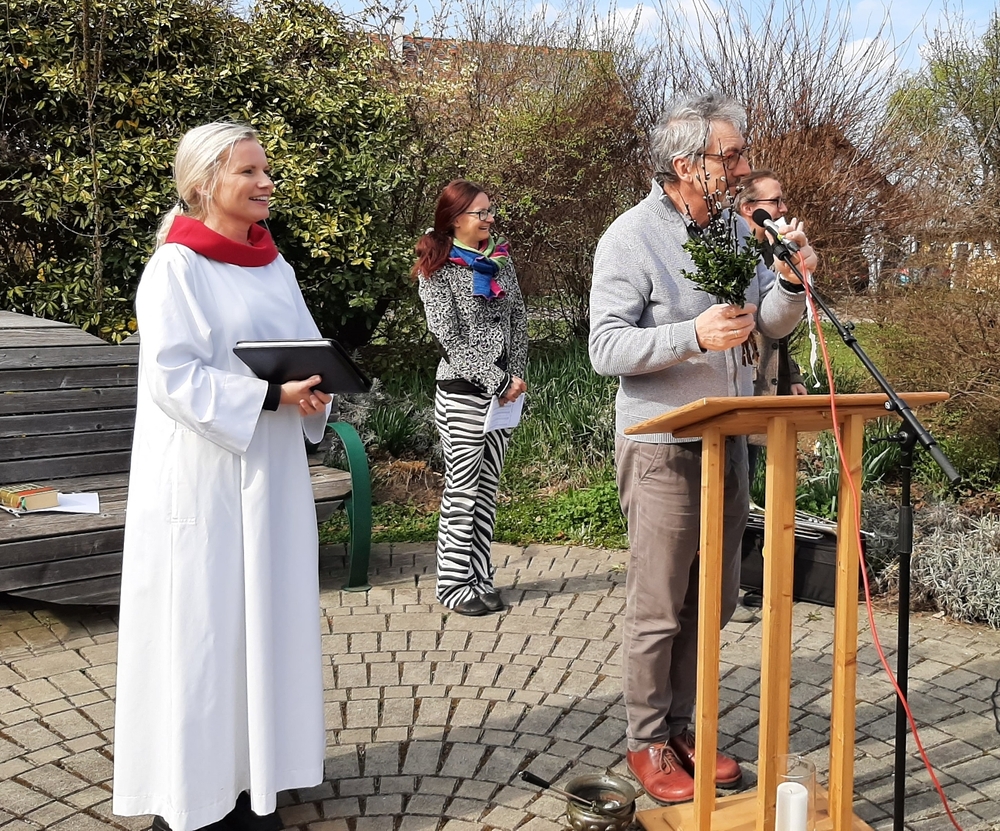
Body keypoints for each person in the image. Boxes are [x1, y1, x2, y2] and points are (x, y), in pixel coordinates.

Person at [589, 93, 816, 804]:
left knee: (711, 602)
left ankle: (684, 728)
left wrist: (788, 280)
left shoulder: (734, 232)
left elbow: (769, 324)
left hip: (731, 440)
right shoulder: (630, 237)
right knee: (660, 605)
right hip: (663, 445)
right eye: (732, 156)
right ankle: (647, 740)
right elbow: (604, 348)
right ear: (687, 165)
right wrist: (690, 335)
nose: (744, 168)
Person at [113, 122, 333, 831]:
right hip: (203, 481)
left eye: (265, 169)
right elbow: (172, 377)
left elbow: (305, 348)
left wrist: (317, 387)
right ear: (205, 183)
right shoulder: (175, 269)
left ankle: (253, 781)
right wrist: (268, 396)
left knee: (264, 621)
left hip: (270, 476)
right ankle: (193, 797)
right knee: (205, 633)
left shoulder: (274, 265)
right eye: (249, 171)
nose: (266, 181)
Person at [413, 180, 528, 617]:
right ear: (455, 219)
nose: (489, 218)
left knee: (486, 490)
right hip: (463, 393)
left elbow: (519, 320)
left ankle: (479, 578)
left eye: (489, 210)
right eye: (480, 213)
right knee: (462, 491)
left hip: (504, 396)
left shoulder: (501, 261)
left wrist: (516, 376)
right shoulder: (436, 269)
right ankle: (453, 585)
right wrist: (496, 380)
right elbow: (448, 338)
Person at [734, 169, 809, 483]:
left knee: (746, 479)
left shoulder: (775, 252)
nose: (784, 208)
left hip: (768, 383)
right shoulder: (732, 254)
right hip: (740, 388)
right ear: (749, 209)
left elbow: (778, 325)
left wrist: (792, 375)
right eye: (776, 201)